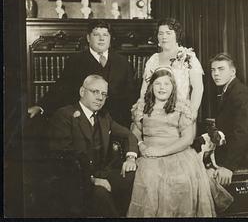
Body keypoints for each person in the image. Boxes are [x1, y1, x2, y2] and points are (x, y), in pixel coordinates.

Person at [127, 68, 232, 217]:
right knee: (149, 179)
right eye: (157, 84)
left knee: (181, 181)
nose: (162, 88)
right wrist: (141, 145)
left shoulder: (181, 107)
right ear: (151, 86)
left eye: (166, 84)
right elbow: (135, 131)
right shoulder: (142, 106)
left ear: (173, 87)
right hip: (149, 154)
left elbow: (187, 139)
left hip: (178, 154)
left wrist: (161, 152)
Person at [48, 75, 138, 217]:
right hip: (77, 179)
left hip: (102, 172)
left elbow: (128, 135)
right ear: (82, 92)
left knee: (133, 176)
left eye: (104, 94)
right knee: (100, 194)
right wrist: (93, 180)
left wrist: (131, 158)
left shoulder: (104, 116)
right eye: (95, 92)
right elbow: (65, 158)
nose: (100, 98)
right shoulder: (65, 115)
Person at [28, 20, 136, 127]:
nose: (101, 39)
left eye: (105, 35)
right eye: (96, 35)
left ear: (110, 38)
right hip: (84, 124)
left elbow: (130, 95)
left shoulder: (123, 62)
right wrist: (41, 106)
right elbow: (60, 89)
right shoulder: (75, 61)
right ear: (88, 38)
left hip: (116, 121)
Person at [209, 53, 248, 186]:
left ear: (233, 71)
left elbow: (242, 132)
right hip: (241, 150)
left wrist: (228, 166)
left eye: (221, 69)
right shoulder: (230, 90)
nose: (216, 74)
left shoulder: (240, 93)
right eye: (213, 70)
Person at [139, 18, 204, 121]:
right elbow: (144, 89)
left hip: (180, 115)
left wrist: (191, 112)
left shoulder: (188, 57)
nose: (164, 37)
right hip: (155, 114)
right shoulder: (153, 59)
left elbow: (198, 88)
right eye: (160, 33)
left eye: (168, 33)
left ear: (176, 35)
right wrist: (141, 113)